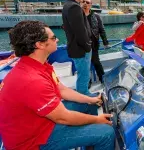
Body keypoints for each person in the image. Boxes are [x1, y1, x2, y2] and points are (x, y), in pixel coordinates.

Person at [0, 21, 114, 150]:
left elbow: (62, 90)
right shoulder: (32, 80)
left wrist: (91, 99)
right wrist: (98, 120)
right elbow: (63, 118)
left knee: (89, 105)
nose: (58, 39)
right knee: (106, 133)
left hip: (40, 123)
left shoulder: (39, 66)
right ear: (40, 45)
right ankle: (95, 137)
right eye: (53, 38)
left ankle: (89, 143)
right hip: (31, 141)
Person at [62, 0, 92, 95]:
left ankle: (83, 94)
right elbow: (80, 31)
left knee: (82, 74)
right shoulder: (74, 7)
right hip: (81, 49)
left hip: (76, 48)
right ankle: (85, 97)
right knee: (84, 74)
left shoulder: (67, 6)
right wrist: (87, 47)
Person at [82, 0, 109, 86]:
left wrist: (105, 42)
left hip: (93, 44)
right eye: (83, 1)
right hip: (82, 45)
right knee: (85, 65)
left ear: (91, 4)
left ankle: (103, 79)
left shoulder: (96, 16)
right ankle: (87, 81)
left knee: (96, 62)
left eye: (87, 2)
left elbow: (102, 30)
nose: (85, 3)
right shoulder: (78, 16)